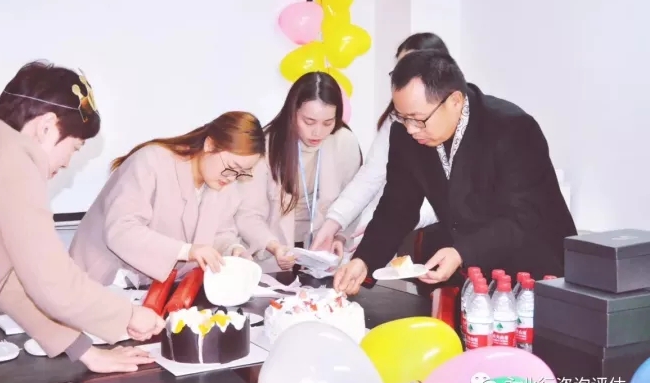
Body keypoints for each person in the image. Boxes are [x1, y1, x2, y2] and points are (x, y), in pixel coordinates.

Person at [0, 60, 164, 370]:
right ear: (46, 126)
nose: (67, 162)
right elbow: (52, 279)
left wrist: (86, 352)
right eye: (75, 147)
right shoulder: (12, 156)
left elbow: (9, 279)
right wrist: (128, 315)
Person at [334, 49, 577, 296]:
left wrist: (462, 252)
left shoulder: (512, 129)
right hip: (479, 278)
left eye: (418, 118)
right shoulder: (406, 137)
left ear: (455, 101)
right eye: (402, 117)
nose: (410, 129)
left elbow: (525, 216)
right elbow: (397, 208)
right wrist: (364, 260)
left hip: (538, 273)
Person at [69, 111, 265, 286]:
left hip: (150, 288)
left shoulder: (221, 182)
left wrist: (232, 249)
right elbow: (121, 230)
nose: (232, 178)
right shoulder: (152, 161)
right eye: (232, 167)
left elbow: (218, 233)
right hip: (102, 278)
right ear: (210, 144)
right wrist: (186, 251)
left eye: (242, 172)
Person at [311, 33, 448, 254]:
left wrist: (389, 223)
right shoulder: (395, 119)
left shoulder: (456, 120)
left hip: (435, 238)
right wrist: (334, 222)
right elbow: (372, 176)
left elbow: (447, 197)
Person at [235, 71, 362, 272]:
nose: (318, 132)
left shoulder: (344, 142)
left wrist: (339, 236)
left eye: (328, 123)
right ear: (292, 112)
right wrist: (274, 247)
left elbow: (354, 200)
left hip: (321, 253)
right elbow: (247, 215)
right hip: (274, 252)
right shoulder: (267, 146)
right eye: (309, 122)